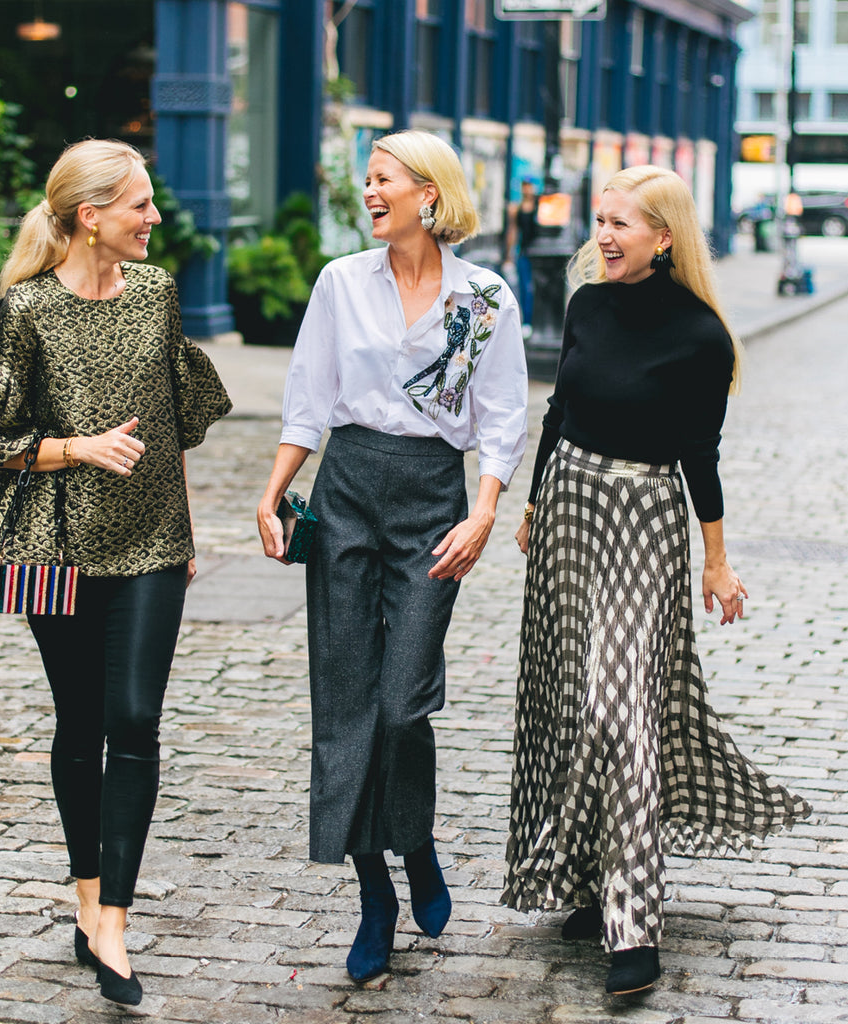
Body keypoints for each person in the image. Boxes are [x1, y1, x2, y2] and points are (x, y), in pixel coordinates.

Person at [502, 166, 811, 996]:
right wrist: (534, 502)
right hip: (568, 507)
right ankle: (584, 877)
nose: (603, 237)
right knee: (572, 696)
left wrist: (716, 557)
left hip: (644, 518)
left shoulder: (701, 335)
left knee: (619, 705)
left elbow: (699, 452)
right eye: (600, 222)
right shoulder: (587, 306)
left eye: (620, 225)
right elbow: (560, 411)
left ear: (664, 237)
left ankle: (633, 922)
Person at [0, 140, 231, 1006]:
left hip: (151, 541)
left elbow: (181, 420)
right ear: (92, 217)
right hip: (60, 544)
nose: (155, 218)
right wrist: (79, 447)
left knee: (135, 717)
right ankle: (84, 899)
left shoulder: (156, 296)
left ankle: (113, 919)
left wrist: (185, 533)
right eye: (140, 205)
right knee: (80, 726)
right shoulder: (28, 310)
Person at [257, 129, 527, 983]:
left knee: (402, 702)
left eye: (383, 179)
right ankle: (377, 891)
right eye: (366, 180)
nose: (368, 192)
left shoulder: (484, 298)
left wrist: (483, 513)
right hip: (347, 492)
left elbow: (503, 415)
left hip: (431, 499)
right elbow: (309, 395)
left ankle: (415, 841)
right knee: (345, 698)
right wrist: (273, 492)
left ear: (429, 195)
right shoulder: (341, 282)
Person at [502, 177, 539, 332]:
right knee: (525, 286)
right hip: (525, 252)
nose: (527, 190)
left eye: (529, 186)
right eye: (525, 186)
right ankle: (527, 321)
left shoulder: (541, 206)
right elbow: (513, 232)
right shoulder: (517, 209)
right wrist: (509, 255)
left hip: (539, 252)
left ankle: (534, 319)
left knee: (537, 286)